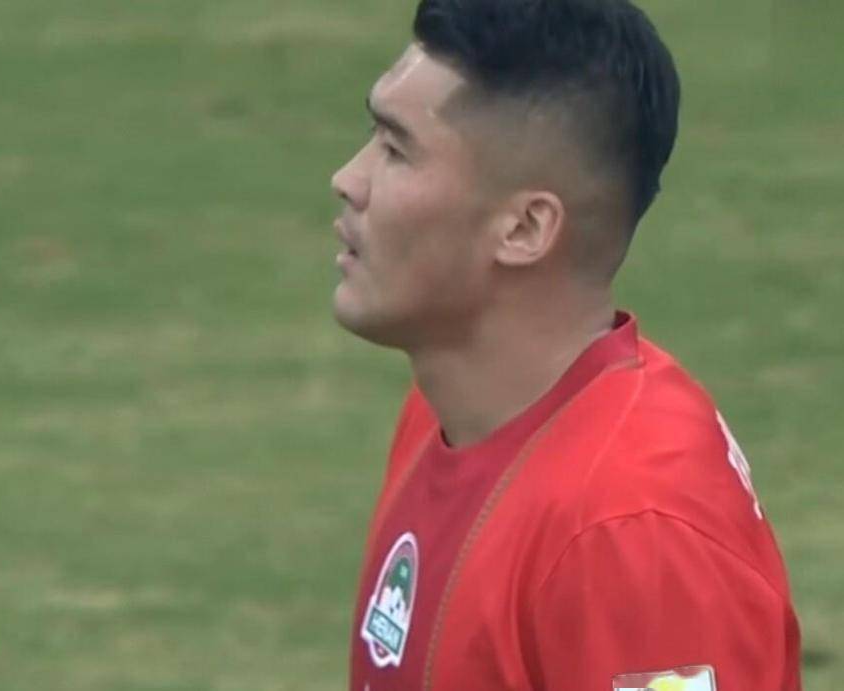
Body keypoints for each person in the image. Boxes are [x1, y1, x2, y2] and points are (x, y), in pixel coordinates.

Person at [328, 0, 802, 689]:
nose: (349, 179)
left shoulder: (629, 529)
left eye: (397, 150)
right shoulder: (447, 410)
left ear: (524, 228)